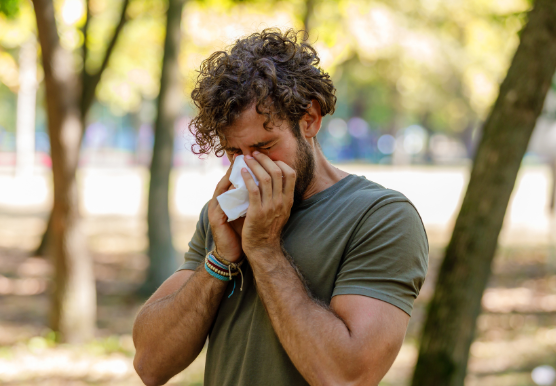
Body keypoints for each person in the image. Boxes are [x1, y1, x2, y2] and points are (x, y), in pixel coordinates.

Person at [132, 28, 429, 386]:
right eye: (234, 153)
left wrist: (264, 249)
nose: (249, 168)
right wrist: (220, 260)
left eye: (264, 146)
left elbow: (347, 377)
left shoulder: (381, 218)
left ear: (310, 120)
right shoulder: (225, 216)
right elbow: (149, 363)